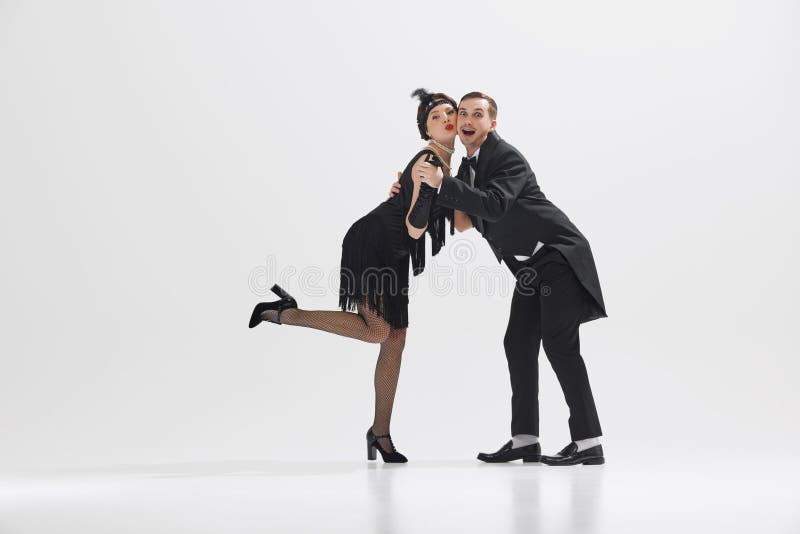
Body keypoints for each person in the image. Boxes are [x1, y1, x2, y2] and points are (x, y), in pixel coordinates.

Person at [248, 89, 458, 463]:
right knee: (379, 331)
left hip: (393, 251)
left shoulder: (444, 163)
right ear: (425, 128)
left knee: (395, 340)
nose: (446, 119)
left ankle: (380, 433)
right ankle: (285, 313)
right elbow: (414, 227)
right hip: (375, 242)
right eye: (436, 116)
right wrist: (427, 188)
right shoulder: (430, 159)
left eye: (450, 113)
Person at [403, 92, 607, 465]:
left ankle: (589, 442)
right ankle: (525, 439)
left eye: (476, 114)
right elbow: (462, 222)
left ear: (491, 123)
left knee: (559, 345)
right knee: (518, 342)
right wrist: (411, 191)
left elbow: (494, 206)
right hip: (530, 269)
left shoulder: (505, 156)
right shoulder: (468, 168)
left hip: (557, 256)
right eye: (462, 113)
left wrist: (443, 182)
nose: (466, 120)